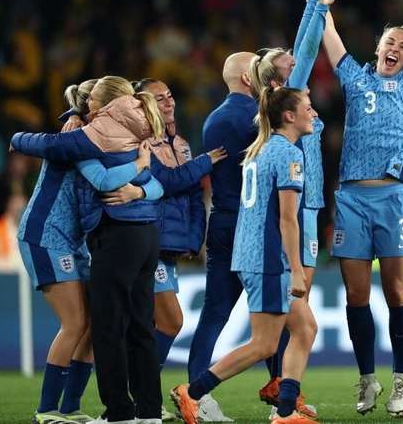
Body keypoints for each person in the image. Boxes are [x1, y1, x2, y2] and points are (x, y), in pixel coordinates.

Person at [12, 75, 221, 424]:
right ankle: (61, 409)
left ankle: (92, 410)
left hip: (96, 235)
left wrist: (17, 138)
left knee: (101, 325)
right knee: (93, 323)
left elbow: (110, 178)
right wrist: (140, 181)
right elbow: (153, 183)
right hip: (52, 233)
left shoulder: (93, 136)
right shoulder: (117, 134)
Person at [319, 0, 403, 415]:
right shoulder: (354, 77)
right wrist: (318, 2)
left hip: (392, 196)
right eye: (390, 42)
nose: (396, 48)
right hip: (349, 198)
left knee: (397, 292)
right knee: (356, 295)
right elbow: (329, 36)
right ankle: (368, 380)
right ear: (378, 46)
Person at [16, 79, 160, 424]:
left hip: (75, 238)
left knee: (95, 323)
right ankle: (47, 409)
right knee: (77, 321)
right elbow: (102, 180)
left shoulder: (108, 137)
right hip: (46, 232)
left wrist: (139, 190)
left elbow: (156, 183)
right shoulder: (80, 135)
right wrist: (139, 168)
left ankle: (71, 407)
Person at [171, 87, 316, 424]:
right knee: (265, 344)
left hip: (251, 253)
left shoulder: (260, 149)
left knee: (305, 327)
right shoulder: (289, 154)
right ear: (289, 116)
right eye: (308, 108)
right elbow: (287, 219)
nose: (313, 113)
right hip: (267, 258)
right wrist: (296, 268)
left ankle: (285, 412)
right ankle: (191, 393)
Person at [252, 0, 337, 419]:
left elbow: (302, 48)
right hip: (296, 209)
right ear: (277, 77)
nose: (294, 56)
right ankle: (283, 397)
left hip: (307, 204)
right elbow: (306, 48)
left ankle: (282, 390)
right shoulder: (289, 97)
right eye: (284, 60)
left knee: (289, 313)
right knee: (293, 309)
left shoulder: (287, 104)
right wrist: (316, 4)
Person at [133, 78, 211, 422]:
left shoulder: (181, 143)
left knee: (154, 323)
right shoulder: (141, 143)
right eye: (158, 98)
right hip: (149, 238)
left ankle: (140, 395)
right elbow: (165, 184)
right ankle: (141, 394)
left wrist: (195, 237)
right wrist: (204, 163)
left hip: (170, 244)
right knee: (170, 320)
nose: (168, 102)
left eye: (169, 95)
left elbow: (194, 193)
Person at [187, 52, 258, 422]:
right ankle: (283, 390)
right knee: (275, 313)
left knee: (214, 313)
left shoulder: (214, 119)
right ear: (249, 77)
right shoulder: (259, 117)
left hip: (223, 221)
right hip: (255, 225)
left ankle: (195, 396)